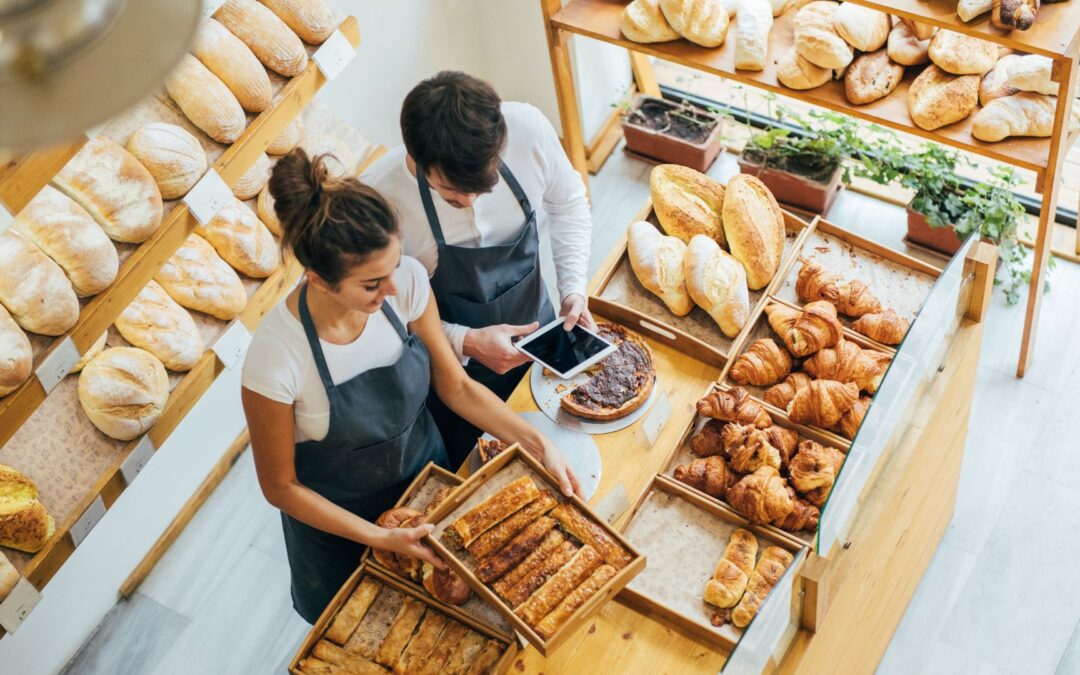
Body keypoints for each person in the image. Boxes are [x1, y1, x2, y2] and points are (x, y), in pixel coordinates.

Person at [240, 150, 580, 624]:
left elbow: (456, 387)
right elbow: (280, 486)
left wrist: (537, 443)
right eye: (372, 284)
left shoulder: (409, 283)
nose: (393, 290)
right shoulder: (276, 358)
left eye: (394, 267)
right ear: (317, 279)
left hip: (430, 494)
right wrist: (378, 538)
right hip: (341, 536)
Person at [363, 71, 595, 467]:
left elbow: (569, 202)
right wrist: (465, 341)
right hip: (455, 378)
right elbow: (381, 316)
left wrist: (573, 286)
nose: (469, 202)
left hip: (540, 344)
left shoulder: (526, 130)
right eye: (452, 191)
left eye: (480, 188)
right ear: (417, 158)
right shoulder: (379, 202)